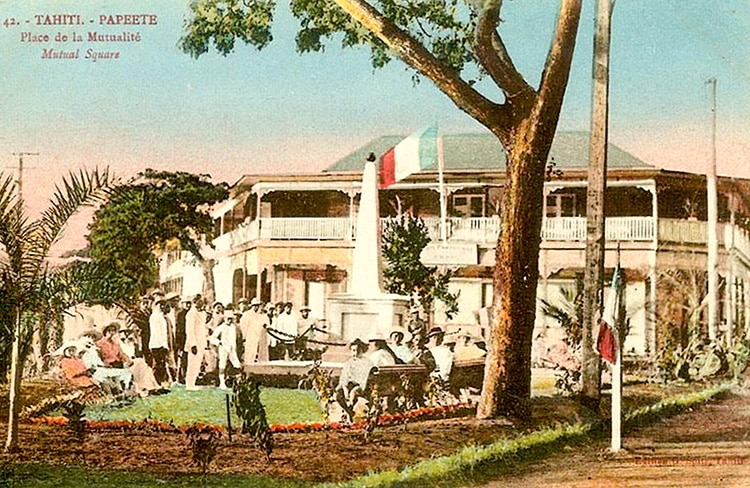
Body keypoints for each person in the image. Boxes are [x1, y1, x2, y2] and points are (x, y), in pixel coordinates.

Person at [335, 338, 375, 422]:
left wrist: (354, 390)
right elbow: (344, 378)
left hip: (363, 385)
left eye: (357, 350)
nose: (355, 353)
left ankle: (350, 410)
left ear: (362, 351)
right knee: (338, 395)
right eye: (353, 350)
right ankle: (349, 411)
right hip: (349, 385)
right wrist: (345, 390)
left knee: (353, 394)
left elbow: (364, 379)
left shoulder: (366, 362)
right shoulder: (348, 363)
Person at [209, 312, 242, 389]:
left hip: (232, 348)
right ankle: (222, 383)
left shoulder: (233, 327)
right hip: (223, 348)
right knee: (222, 365)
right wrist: (219, 342)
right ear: (224, 319)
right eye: (228, 318)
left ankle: (238, 381)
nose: (230, 320)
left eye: (231, 319)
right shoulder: (221, 327)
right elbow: (213, 338)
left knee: (237, 364)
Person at [184, 294, 208, 390]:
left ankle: (192, 383)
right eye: (200, 301)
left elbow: (202, 327)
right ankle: (189, 384)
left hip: (201, 341)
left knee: (197, 363)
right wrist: (193, 344)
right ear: (195, 302)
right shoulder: (191, 314)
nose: (202, 302)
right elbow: (189, 330)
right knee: (192, 363)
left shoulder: (202, 313)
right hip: (194, 342)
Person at [238, 297, 269, 364]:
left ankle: (262, 370)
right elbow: (243, 327)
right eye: (255, 306)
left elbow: (267, 327)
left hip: (261, 337)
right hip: (250, 337)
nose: (257, 307)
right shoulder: (247, 315)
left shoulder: (263, 315)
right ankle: (248, 370)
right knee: (250, 355)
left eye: (258, 306)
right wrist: (244, 338)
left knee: (262, 354)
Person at [148, 297, 171, 386]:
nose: (161, 307)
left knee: (162, 364)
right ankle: (156, 383)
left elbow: (164, 333)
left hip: (161, 344)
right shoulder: (154, 316)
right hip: (156, 344)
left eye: (163, 305)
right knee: (158, 365)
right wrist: (162, 344)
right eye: (160, 305)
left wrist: (165, 344)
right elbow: (156, 332)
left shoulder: (161, 316)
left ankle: (160, 382)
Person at [174, 297, 191, 383]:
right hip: (182, 340)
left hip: (190, 339)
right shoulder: (180, 314)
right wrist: (179, 343)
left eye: (189, 303)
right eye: (186, 303)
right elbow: (179, 329)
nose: (188, 305)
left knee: (190, 359)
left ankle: (188, 376)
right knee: (182, 359)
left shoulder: (191, 313)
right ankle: (181, 377)